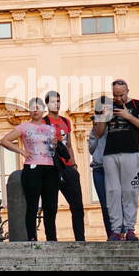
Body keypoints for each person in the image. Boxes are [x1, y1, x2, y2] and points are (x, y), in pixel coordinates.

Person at [0, 97, 60, 241]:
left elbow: (53, 149)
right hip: (32, 167)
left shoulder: (50, 128)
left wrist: (55, 143)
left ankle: (52, 238)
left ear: (43, 109)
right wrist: (21, 151)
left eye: (38, 107)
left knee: (50, 206)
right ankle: (32, 238)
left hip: (50, 167)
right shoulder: (24, 127)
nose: (35, 110)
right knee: (32, 205)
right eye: (32, 107)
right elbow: (5, 140)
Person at [102, 79, 139, 241]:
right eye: (115, 95)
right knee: (113, 192)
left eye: (121, 95)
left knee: (130, 191)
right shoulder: (107, 105)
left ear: (127, 91)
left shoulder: (137, 104)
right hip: (110, 154)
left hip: (130, 152)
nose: (119, 98)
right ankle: (115, 230)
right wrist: (103, 117)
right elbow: (99, 132)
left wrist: (127, 116)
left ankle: (130, 228)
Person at [45, 90, 86, 241]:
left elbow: (69, 144)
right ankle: (52, 240)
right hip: (51, 167)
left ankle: (80, 239)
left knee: (77, 206)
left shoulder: (66, 121)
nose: (56, 104)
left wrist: (74, 165)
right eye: (52, 101)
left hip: (68, 166)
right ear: (47, 104)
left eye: (58, 101)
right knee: (51, 207)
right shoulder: (44, 122)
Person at [86, 95, 113, 238]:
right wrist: (98, 130)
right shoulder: (94, 128)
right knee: (104, 204)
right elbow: (91, 149)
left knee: (117, 202)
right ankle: (111, 234)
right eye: (100, 110)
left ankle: (121, 232)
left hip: (114, 168)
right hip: (99, 168)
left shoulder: (116, 126)